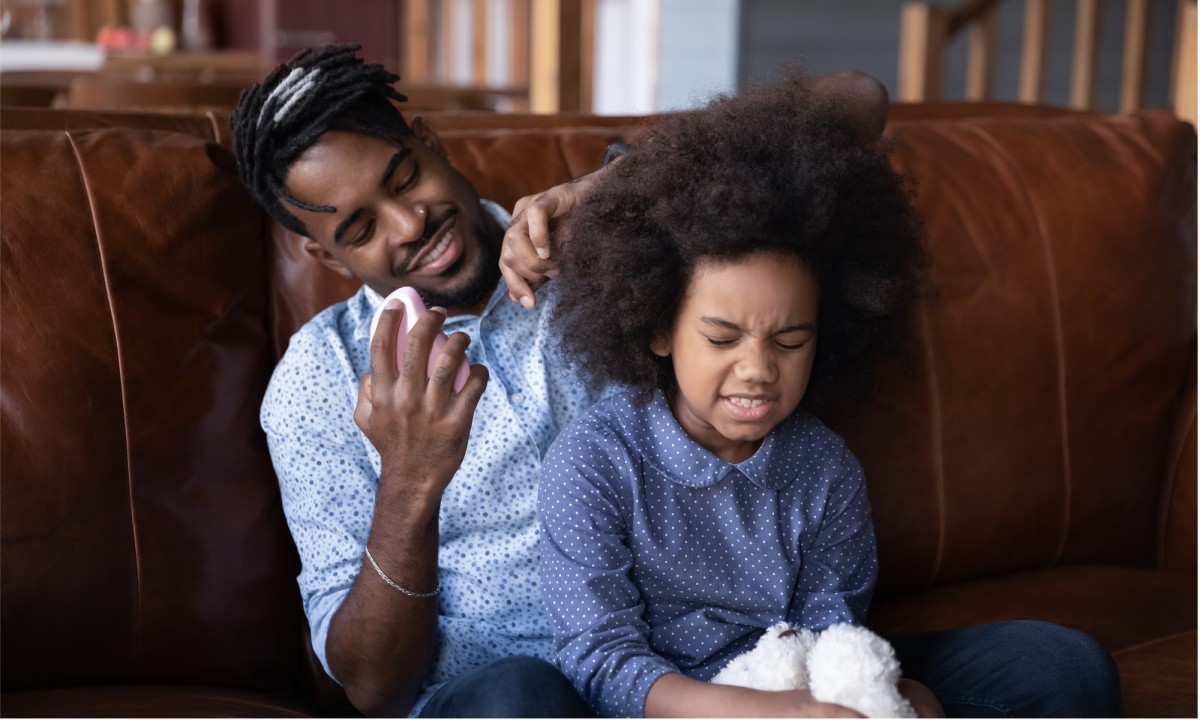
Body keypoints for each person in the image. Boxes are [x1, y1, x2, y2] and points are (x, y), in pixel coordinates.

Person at [528, 75, 1121, 718]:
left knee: (1065, 667)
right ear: (657, 328)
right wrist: (775, 714)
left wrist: (888, 699)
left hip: (796, 678)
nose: (757, 370)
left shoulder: (823, 467)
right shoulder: (591, 462)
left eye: (789, 341)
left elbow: (834, 641)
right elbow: (602, 663)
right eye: (722, 338)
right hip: (671, 703)